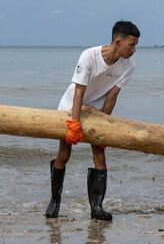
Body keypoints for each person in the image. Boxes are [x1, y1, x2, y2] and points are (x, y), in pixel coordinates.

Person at [47, 21, 140, 221]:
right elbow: (79, 91)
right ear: (117, 41)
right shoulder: (89, 56)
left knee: (99, 153)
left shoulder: (129, 66)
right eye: (131, 45)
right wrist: (74, 123)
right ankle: (54, 202)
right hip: (72, 106)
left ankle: (97, 208)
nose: (134, 50)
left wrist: (104, 123)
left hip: (97, 110)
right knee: (64, 153)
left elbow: (112, 96)